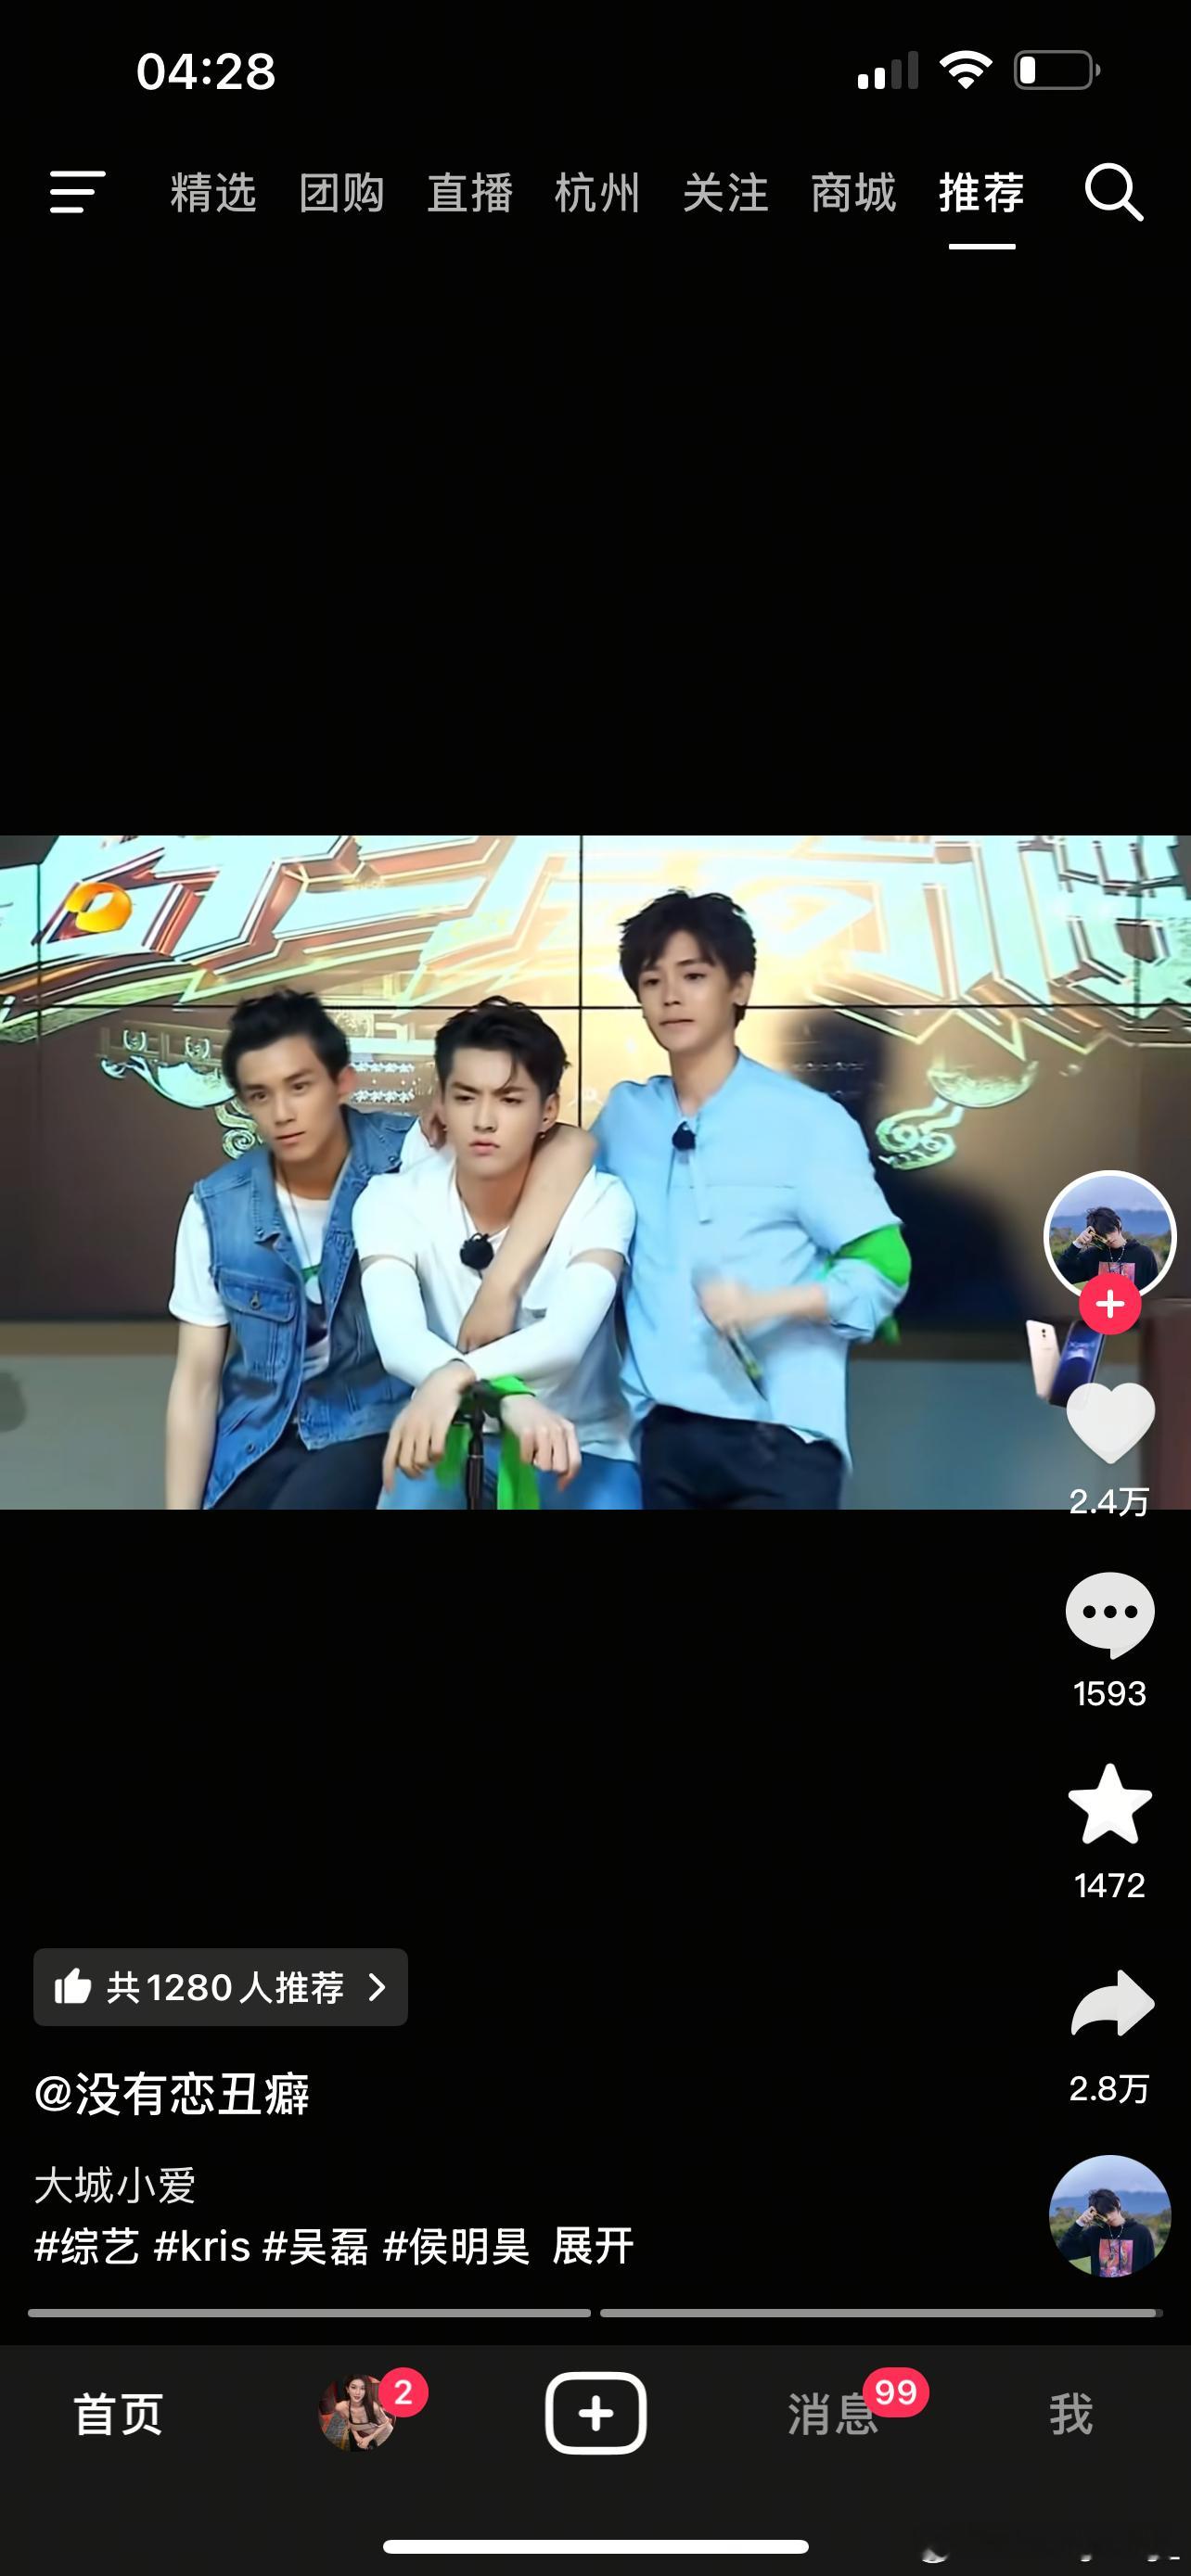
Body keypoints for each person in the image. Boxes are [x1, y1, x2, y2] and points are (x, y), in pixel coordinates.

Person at [165, 987, 596, 1510]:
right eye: (260, 1095)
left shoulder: (409, 1153)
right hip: (260, 1440)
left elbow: (570, 1145)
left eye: (299, 1086)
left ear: (342, 1081)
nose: (282, 1112)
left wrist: (501, 1284)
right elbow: (196, 1384)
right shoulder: (216, 1208)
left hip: (374, 1424)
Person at [593, 889, 911, 1510]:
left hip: (781, 1436)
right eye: (652, 981)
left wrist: (767, 1304)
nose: (671, 996)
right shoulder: (625, 1116)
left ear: (739, 986)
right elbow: (559, 1190)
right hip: (663, 1434)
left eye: (693, 976)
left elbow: (885, 1266)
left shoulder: (809, 1122)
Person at [352, 997, 640, 1510]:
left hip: (579, 1440)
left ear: (548, 1110)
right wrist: (509, 1398)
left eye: (509, 1100)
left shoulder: (601, 1200)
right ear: (441, 1104)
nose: (484, 1120)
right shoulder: (389, 1199)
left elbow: (565, 1339)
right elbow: (399, 1343)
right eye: (466, 1098)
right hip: (446, 1432)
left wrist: (460, 1376)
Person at [1056, 2187, 1156, 2278]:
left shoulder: (1141, 2232)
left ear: (1118, 2203)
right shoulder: (1094, 2233)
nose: (1109, 2217)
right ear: (1096, 2214)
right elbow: (1064, 2251)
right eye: (1103, 2213)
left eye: (1110, 2210)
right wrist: (1080, 2223)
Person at [1056, 1205, 1159, 1291]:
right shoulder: (1092, 1256)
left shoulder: (1144, 1254)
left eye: (1110, 1230)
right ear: (1095, 1235)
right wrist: (1077, 1245)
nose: (1109, 1238)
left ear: (1118, 1223)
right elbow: (1060, 1276)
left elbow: (1154, 1292)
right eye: (1103, 1235)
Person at [319, 2373, 393, 2453]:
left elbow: (386, 2422)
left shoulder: (373, 2406)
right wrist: (356, 2436)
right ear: (347, 2389)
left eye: (362, 2388)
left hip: (384, 2434)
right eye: (353, 2387)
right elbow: (348, 2421)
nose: (358, 2392)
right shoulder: (340, 2407)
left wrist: (369, 2438)